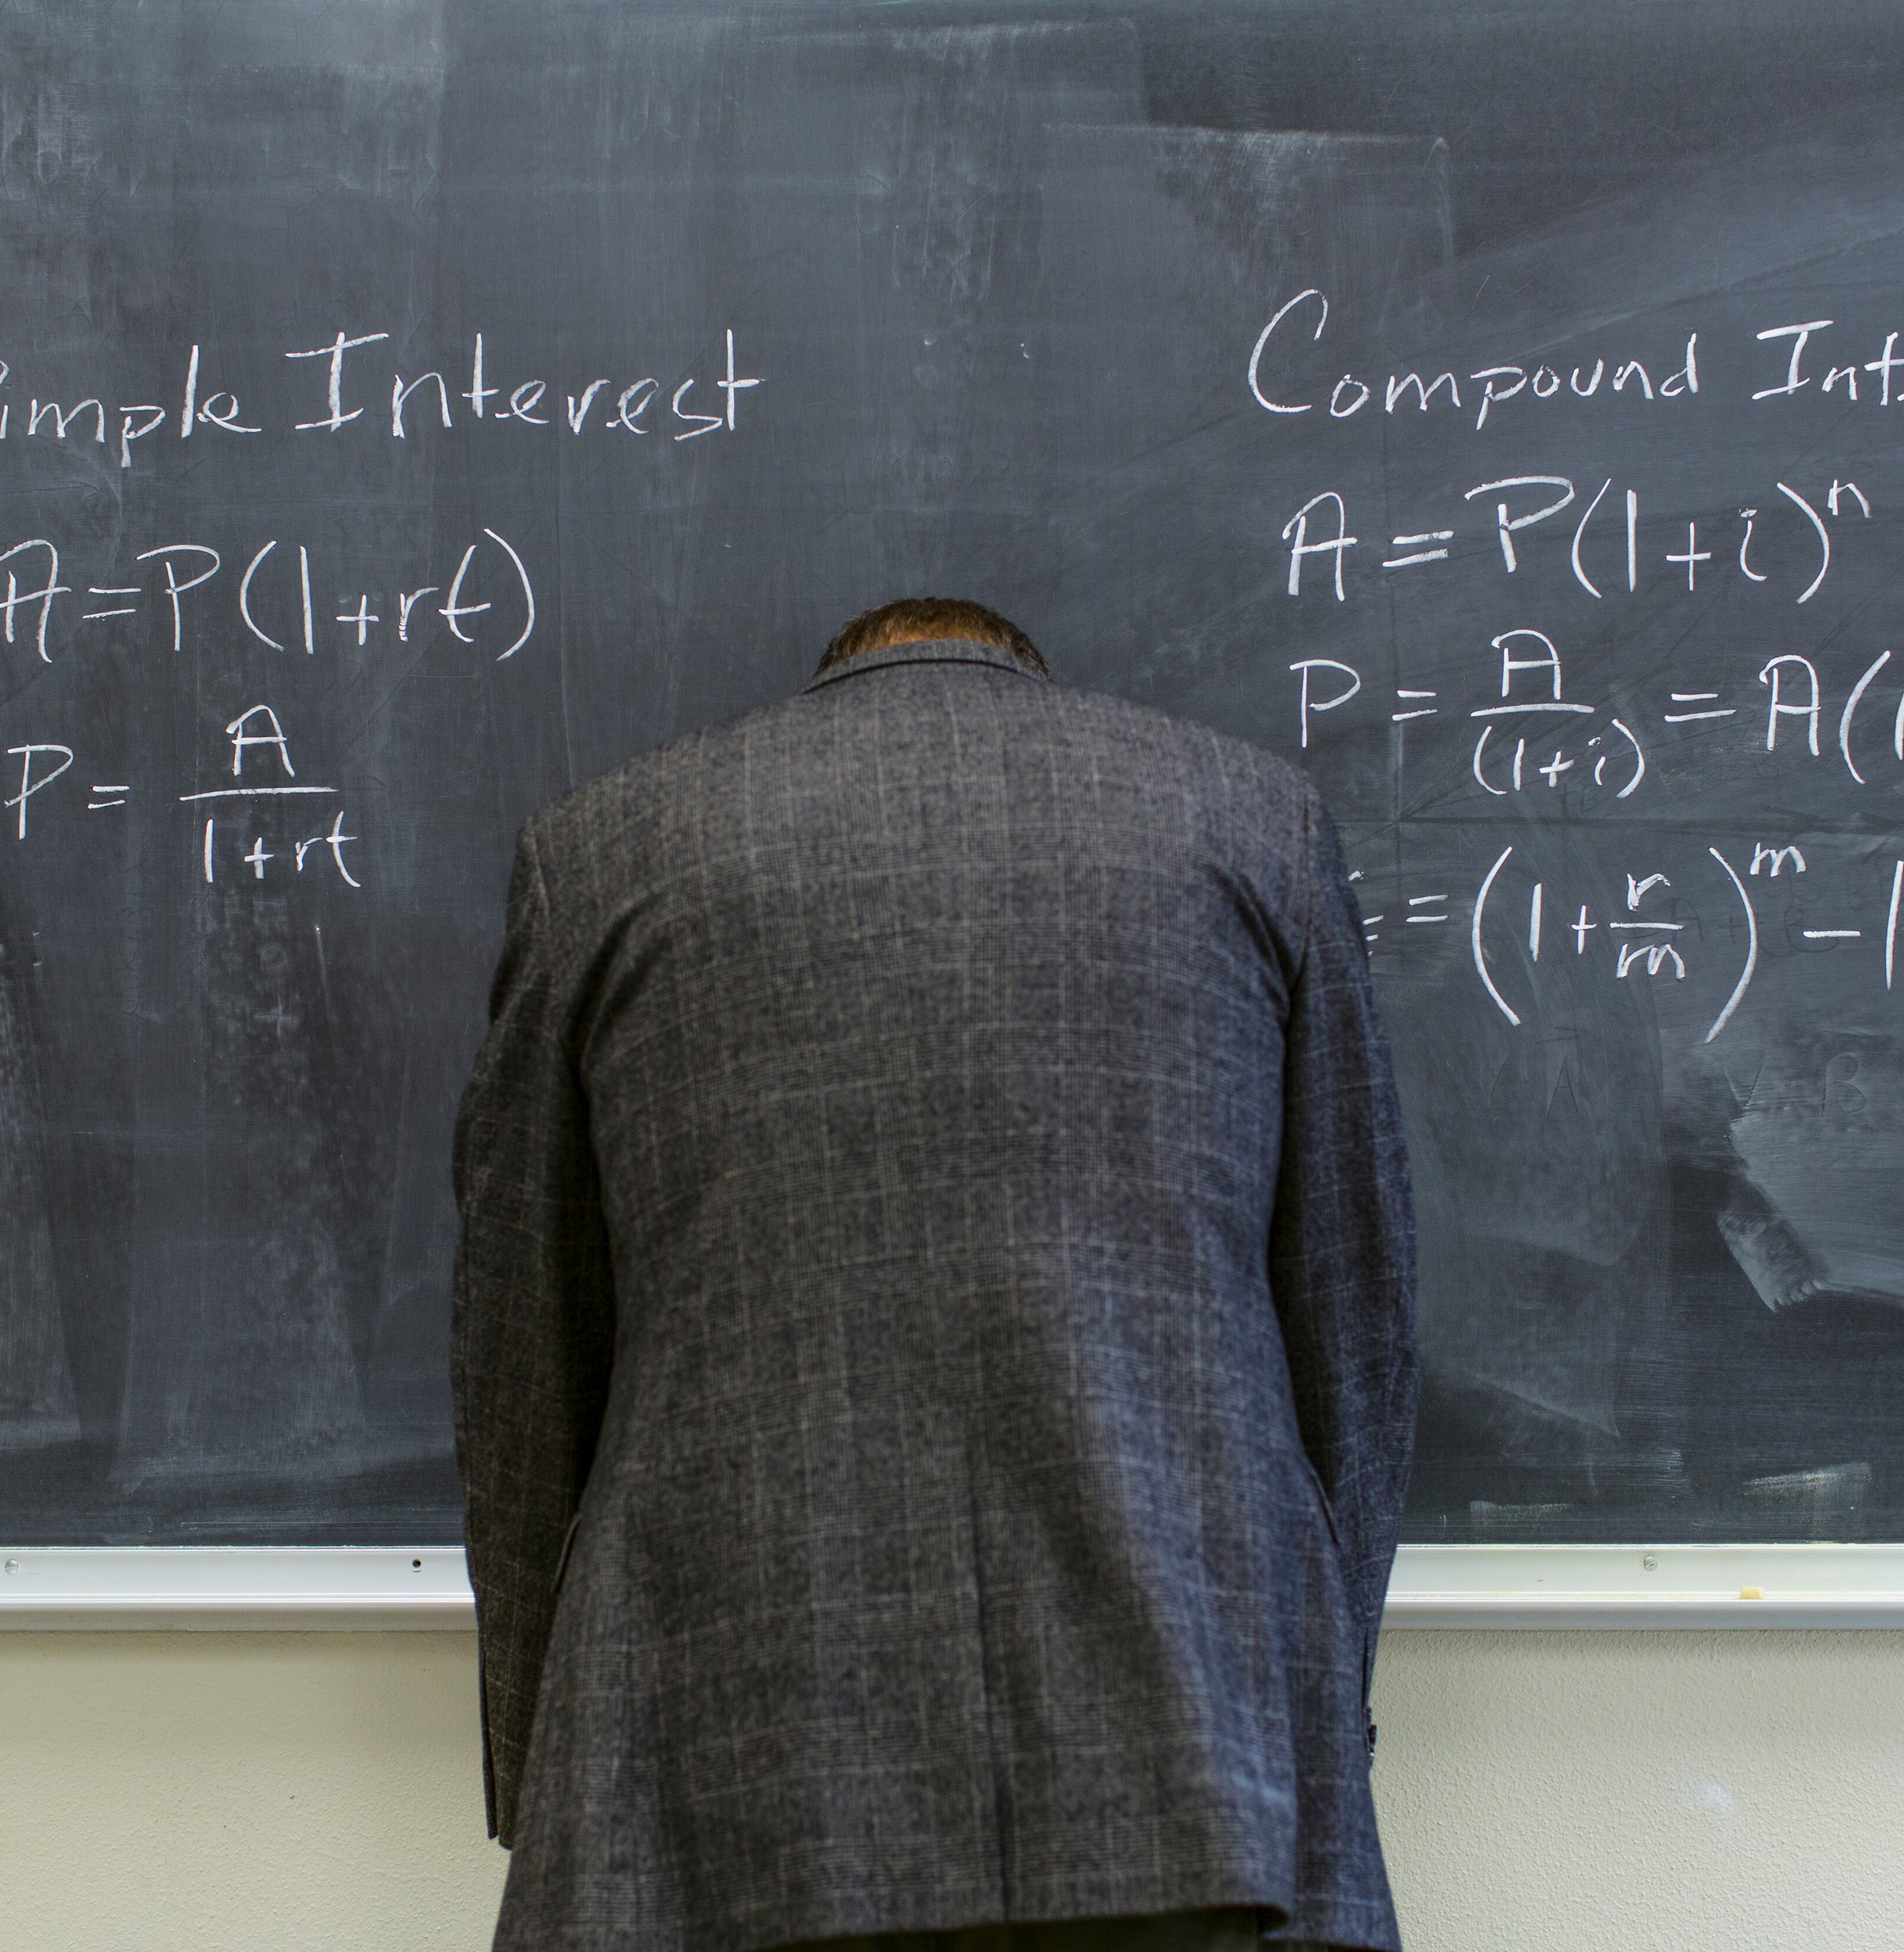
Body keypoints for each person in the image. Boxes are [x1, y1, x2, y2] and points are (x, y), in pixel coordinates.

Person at [453, 597, 1418, 1952]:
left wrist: (551, 1754)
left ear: (837, 676)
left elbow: (521, 1364)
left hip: (713, 1759)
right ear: (1021, 669)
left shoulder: (603, 849)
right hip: (1194, 1759)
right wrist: (1312, 1714)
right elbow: (1352, 1327)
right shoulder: (1258, 823)